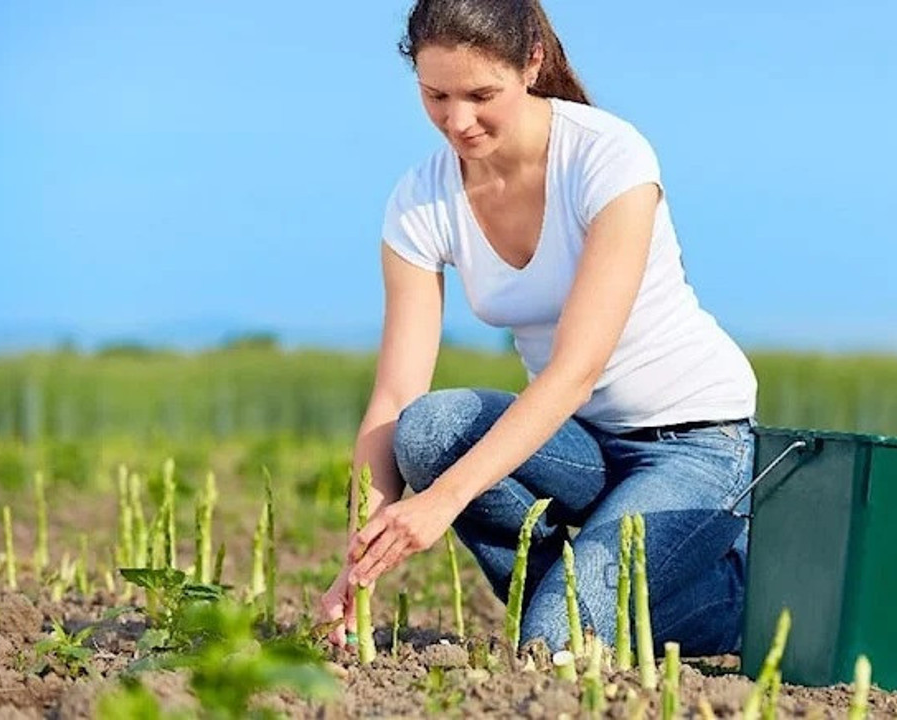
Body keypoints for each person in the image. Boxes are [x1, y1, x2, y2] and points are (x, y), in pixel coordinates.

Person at [318, 0, 759, 657]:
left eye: (480, 95)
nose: (457, 121)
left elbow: (576, 370)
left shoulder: (608, 158)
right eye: (436, 96)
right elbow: (394, 398)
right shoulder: (420, 199)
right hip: (577, 446)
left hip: (694, 444)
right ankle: (577, 598)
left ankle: (737, 596)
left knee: (553, 642)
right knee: (427, 429)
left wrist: (441, 501)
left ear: (531, 64)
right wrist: (357, 564)